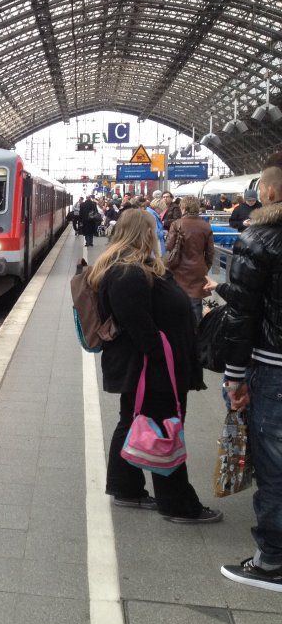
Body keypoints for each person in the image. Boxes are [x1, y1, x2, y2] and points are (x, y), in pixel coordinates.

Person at [88, 209, 220, 523]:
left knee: (132, 420)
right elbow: (139, 325)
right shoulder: (127, 272)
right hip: (150, 367)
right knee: (164, 427)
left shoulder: (134, 268)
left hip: (143, 365)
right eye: (153, 229)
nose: (158, 234)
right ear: (143, 234)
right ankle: (177, 504)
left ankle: (126, 487)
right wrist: (163, 359)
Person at [206, 152, 282, 591]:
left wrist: (234, 376)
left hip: (272, 371)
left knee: (274, 468)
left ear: (267, 192)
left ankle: (272, 562)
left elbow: (243, 316)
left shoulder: (260, 240)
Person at [164, 196, 215, 325]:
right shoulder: (205, 226)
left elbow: (169, 246)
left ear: (184, 208)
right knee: (195, 305)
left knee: (177, 303)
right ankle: (197, 335)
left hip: (178, 268)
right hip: (198, 269)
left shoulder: (177, 224)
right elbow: (210, 253)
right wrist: (205, 267)